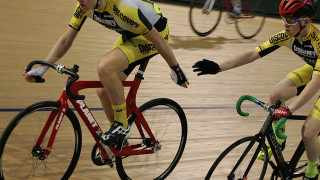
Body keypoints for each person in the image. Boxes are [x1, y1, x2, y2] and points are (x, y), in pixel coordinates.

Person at [23, 0, 189, 147]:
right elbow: (66, 40)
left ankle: (122, 127)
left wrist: (176, 68)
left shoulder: (124, 7)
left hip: (154, 36)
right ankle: (118, 141)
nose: (80, 0)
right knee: (104, 90)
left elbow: (158, 39)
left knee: (105, 67)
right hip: (131, 33)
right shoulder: (84, 6)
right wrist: (43, 68)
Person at [193, 0, 319, 179]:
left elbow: (315, 83)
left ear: (305, 21)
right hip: (315, 70)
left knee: (308, 132)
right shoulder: (286, 35)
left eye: (290, 20)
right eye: (283, 18)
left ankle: (313, 171)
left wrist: (290, 110)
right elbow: (253, 53)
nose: (285, 24)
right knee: (276, 95)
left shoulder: (318, 40)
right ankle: (279, 140)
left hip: (318, 77)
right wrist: (218, 67)